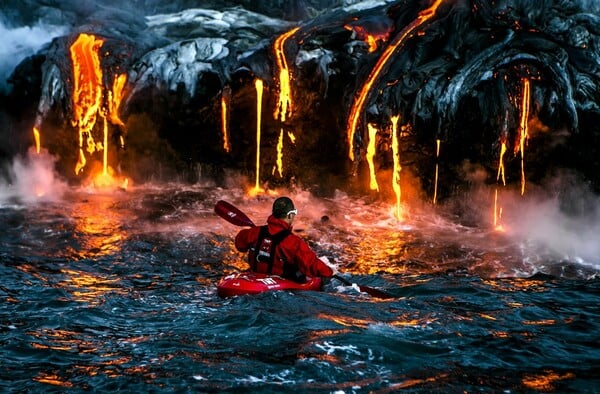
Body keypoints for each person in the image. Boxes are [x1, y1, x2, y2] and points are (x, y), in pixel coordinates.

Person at [234, 196, 337, 282]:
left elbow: (239, 245)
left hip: (254, 278)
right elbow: (311, 265)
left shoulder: (254, 232)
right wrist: (330, 272)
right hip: (280, 284)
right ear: (290, 215)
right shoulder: (294, 242)